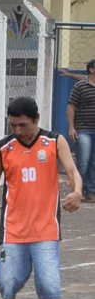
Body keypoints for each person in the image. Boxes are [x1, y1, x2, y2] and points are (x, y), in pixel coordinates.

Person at [0, 96, 83, 299]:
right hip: (12, 228)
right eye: (13, 125)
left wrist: (77, 191)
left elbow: (71, 170)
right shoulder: (3, 148)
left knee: (48, 283)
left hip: (46, 228)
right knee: (6, 282)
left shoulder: (54, 142)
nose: (17, 130)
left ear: (36, 120)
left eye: (22, 125)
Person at [64, 59, 95, 201]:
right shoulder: (80, 86)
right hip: (83, 129)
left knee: (94, 163)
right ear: (91, 69)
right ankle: (78, 190)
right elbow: (71, 106)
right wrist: (71, 127)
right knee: (83, 161)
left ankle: (91, 191)